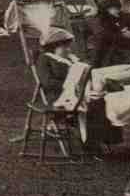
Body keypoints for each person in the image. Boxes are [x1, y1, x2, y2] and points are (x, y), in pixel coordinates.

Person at [37, 27, 122, 156]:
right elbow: (47, 82)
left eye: (68, 46)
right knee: (95, 104)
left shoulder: (71, 59)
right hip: (60, 96)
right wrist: (73, 86)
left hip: (80, 93)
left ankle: (104, 140)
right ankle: (91, 145)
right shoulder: (45, 59)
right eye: (63, 47)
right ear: (53, 47)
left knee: (104, 100)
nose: (68, 49)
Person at [87, 0, 130, 68]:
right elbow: (103, 37)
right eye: (114, 8)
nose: (117, 10)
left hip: (124, 46)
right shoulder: (98, 20)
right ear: (106, 8)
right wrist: (123, 34)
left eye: (117, 8)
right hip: (109, 50)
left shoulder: (124, 16)